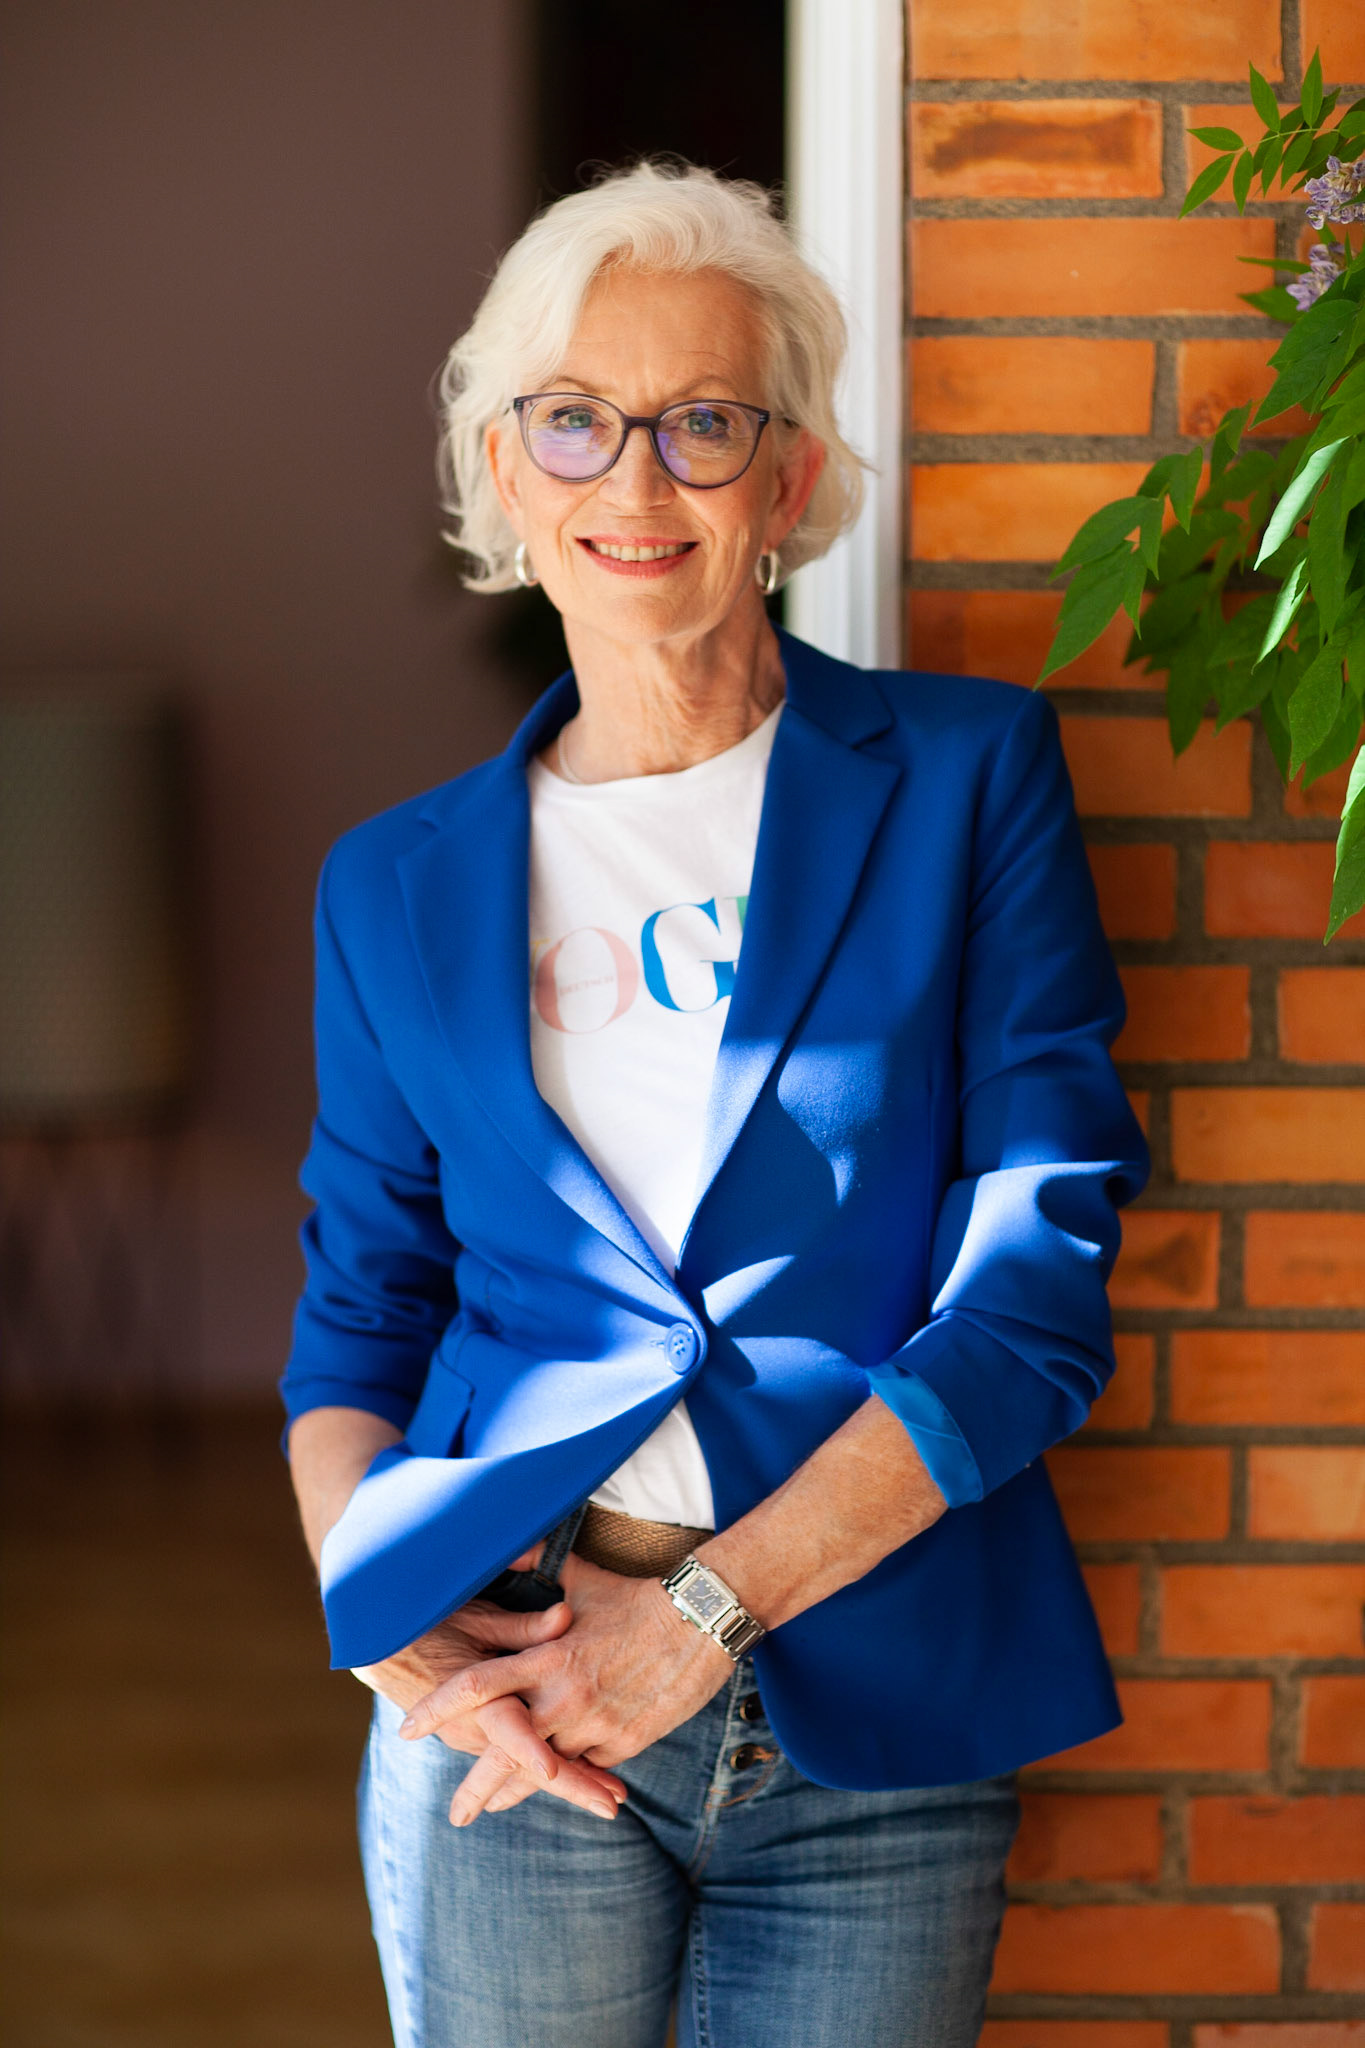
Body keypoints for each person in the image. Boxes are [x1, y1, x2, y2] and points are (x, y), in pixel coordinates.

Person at [281, 160, 1149, 2048]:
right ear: (506, 470)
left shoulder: (966, 776)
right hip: (513, 1703)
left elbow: (1032, 1297)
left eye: (702, 422)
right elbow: (360, 1313)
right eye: (573, 421)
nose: (636, 479)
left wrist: (703, 1621)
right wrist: (382, 1610)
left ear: (791, 476)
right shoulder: (392, 885)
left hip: (880, 1705)